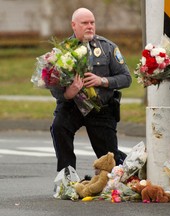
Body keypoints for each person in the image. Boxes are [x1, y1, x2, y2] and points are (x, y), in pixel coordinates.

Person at [50, 8, 132, 172]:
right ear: (74, 25)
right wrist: (68, 93)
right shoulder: (62, 51)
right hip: (72, 106)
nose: (89, 26)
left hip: (100, 107)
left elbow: (126, 78)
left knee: (109, 157)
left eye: (92, 23)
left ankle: (131, 165)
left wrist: (102, 81)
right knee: (59, 127)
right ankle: (67, 177)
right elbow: (53, 86)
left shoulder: (107, 48)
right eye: (84, 23)